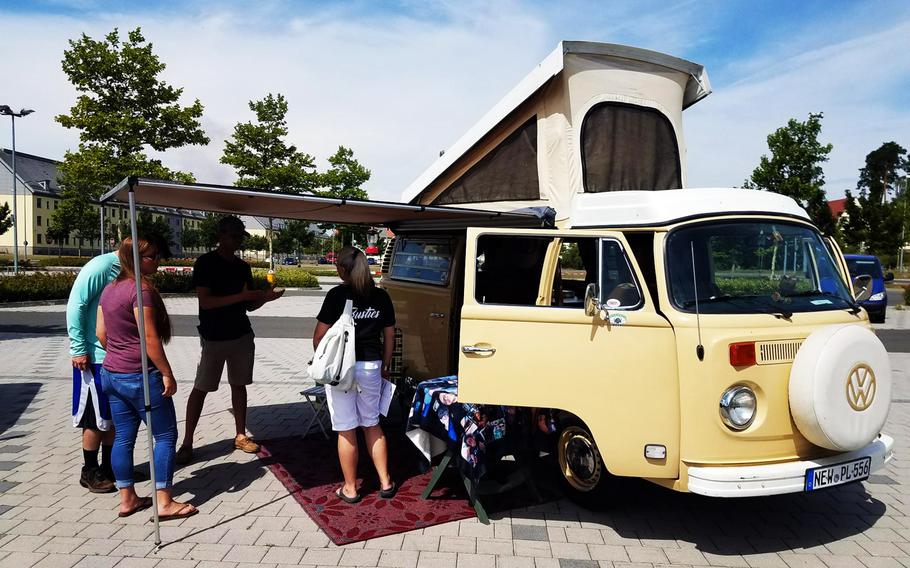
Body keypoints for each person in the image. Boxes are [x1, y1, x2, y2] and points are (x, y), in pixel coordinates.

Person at [97, 236, 197, 520]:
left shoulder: (110, 289)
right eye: (151, 256)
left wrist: (119, 352)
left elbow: (101, 334)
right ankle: (164, 501)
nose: (157, 261)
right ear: (134, 259)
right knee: (165, 435)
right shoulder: (141, 291)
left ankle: (127, 498)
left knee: (123, 438)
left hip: (112, 373)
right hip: (140, 376)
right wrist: (167, 372)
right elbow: (150, 338)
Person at [176, 216, 284, 464]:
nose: (237, 241)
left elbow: (248, 305)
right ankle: (187, 442)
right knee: (201, 387)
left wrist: (265, 298)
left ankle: (240, 434)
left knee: (239, 384)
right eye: (234, 236)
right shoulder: (205, 263)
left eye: (240, 237)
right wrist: (240, 297)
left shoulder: (242, 267)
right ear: (220, 235)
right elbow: (206, 302)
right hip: (213, 336)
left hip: (241, 335)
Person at [67, 235, 168, 493]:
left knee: (113, 418)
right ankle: (89, 470)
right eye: (153, 256)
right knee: (95, 416)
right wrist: (79, 348)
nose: (157, 261)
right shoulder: (102, 267)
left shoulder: (128, 275)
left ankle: (110, 466)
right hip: (94, 357)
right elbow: (76, 304)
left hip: (114, 358)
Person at [314, 246, 397, 503]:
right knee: (371, 423)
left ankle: (350, 488)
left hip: (342, 370)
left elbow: (319, 336)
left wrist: (323, 359)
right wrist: (384, 364)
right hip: (371, 366)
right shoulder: (380, 296)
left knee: (346, 428)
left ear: (342, 269)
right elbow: (389, 335)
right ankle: (385, 482)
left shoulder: (336, 295)